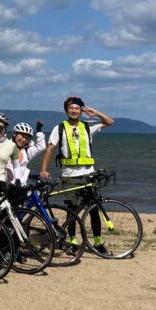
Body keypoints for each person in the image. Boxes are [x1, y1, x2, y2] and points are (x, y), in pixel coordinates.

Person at [40, 96, 114, 254]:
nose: (74, 110)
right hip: (69, 176)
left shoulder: (88, 127)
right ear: (67, 110)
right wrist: (44, 170)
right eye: (71, 108)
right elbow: (50, 149)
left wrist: (95, 112)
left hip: (88, 174)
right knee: (71, 211)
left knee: (94, 210)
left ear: (81, 111)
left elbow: (109, 122)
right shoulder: (59, 128)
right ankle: (73, 243)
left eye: (77, 108)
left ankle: (98, 243)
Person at [5, 121, 46, 191]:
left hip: (21, 187)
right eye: (22, 136)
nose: (24, 140)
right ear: (15, 134)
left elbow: (41, 147)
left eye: (27, 138)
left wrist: (39, 131)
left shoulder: (27, 151)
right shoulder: (5, 147)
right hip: (6, 187)